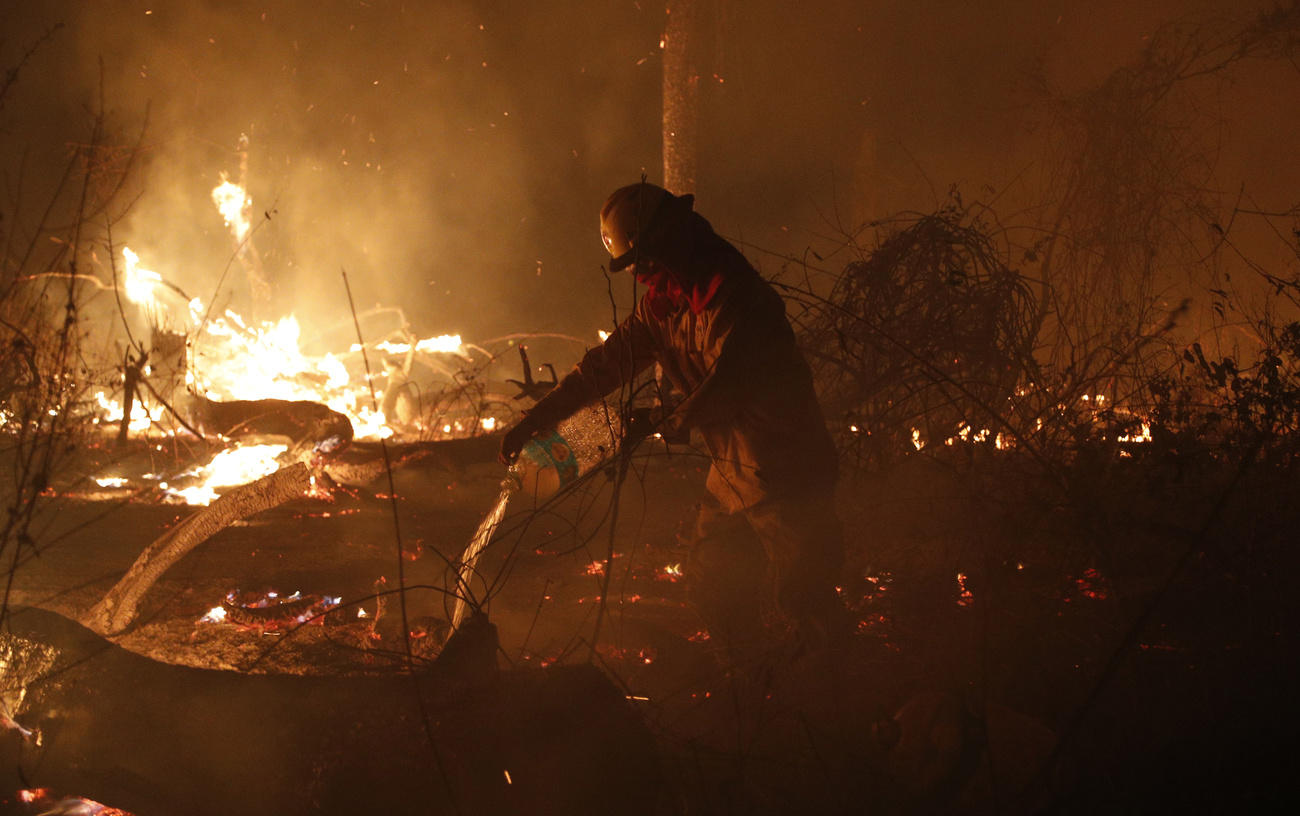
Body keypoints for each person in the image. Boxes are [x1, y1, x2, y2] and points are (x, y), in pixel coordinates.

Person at [499, 182, 844, 652]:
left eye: (640, 260)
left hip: (786, 468)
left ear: (666, 240)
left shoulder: (735, 296)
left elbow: (726, 387)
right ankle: (753, 679)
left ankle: (833, 689)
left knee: (807, 601)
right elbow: (606, 365)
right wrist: (535, 419)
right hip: (734, 470)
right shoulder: (668, 304)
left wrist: (663, 420)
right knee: (714, 582)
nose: (637, 273)